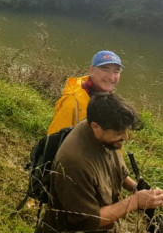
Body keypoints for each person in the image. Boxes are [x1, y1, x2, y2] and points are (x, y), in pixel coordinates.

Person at [42, 93, 163, 232]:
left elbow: (117, 170)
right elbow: (87, 220)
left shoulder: (104, 134)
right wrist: (135, 201)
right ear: (95, 126)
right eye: (119, 132)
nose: (125, 137)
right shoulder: (75, 163)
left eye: (125, 131)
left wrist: (137, 188)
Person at [47, 50, 123, 135]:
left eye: (116, 72)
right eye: (105, 70)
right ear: (91, 70)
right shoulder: (73, 101)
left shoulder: (111, 101)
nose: (111, 77)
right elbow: (55, 141)